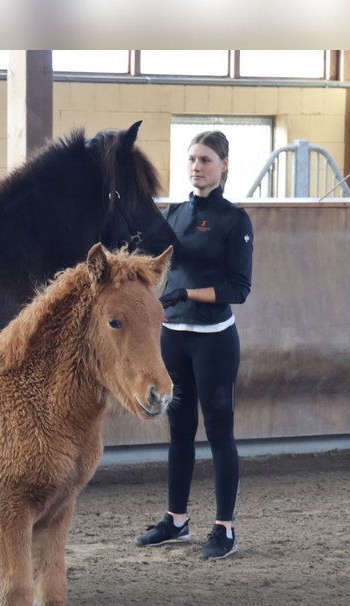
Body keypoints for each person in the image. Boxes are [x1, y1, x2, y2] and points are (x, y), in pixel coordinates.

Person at [136, 130, 253, 560]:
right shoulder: (174, 214)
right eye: (191, 159)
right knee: (179, 432)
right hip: (174, 337)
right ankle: (177, 521)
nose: (196, 166)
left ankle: (225, 529)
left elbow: (238, 288)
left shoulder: (234, 220)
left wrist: (187, 295)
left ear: (223, 166)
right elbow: (155, 260)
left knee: (220, 433)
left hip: (214, 340)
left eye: (205, 159)